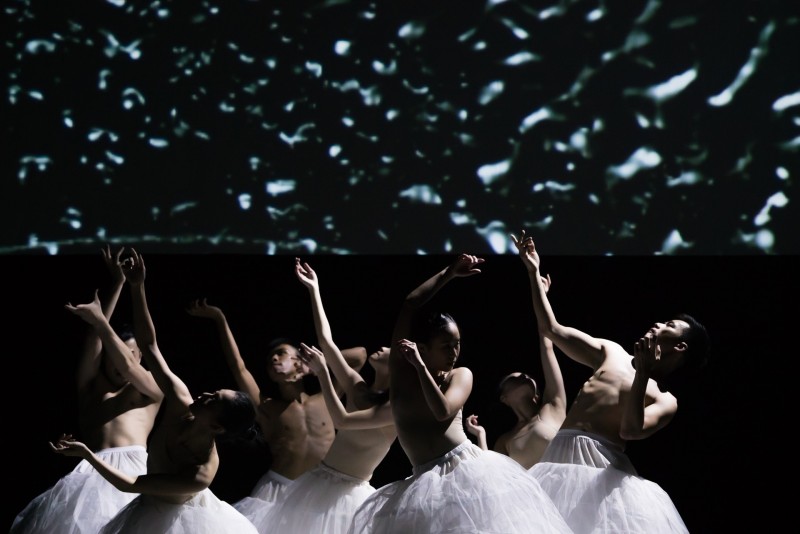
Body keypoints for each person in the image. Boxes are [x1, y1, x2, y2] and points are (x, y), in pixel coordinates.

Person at [347, 254, 572, 534]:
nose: (454, 352)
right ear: (423, 348)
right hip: (422, 480)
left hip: (464, 471)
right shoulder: (402, 375)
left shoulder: (460, 375)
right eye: (446, 346)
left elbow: (442, 411)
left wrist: (420, 367)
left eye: (457, 344)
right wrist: (449, 273)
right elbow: (410, 303)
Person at [512, 230, 710, 534]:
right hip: (558, 456)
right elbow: (551, 329)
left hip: (601, 467)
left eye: (669, 325)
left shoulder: (666, 399)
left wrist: (642, 374)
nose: (658, 323)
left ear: (680, 346)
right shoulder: (611, 351)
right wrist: (532, 271)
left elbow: (630, 431)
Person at [52, 249, 259, 534]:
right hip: (144, 508)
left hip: (181, 521)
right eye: (213, 391)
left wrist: (88, 455)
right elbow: (150, 346)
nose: (204, 395)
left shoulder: (202, 471)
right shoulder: (181, 400)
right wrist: (137, 286)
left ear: (216, 427)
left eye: (213, 400)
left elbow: (131, 484)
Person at [185, 269, 367, 530]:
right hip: (279, 491)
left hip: (323, 492)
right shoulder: (267, 407)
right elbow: (238, 367)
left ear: (299, 359)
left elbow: (359, 356)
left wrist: (313, 363)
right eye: (270, 358)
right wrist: (220, 318)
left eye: (281, 353)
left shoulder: (326, 397)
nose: (274, 358)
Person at [11, 246, 164, 534]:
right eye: (113, 354)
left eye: (129, 354)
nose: (120, 360)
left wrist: (104, 319)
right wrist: (117, 283)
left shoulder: (150, 390)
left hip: (134, 471)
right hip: (91, 470)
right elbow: (94, 337)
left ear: (139, 357)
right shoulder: (91, 388)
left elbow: (127, 365)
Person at [259, 258, 396, 534]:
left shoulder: (395, 407)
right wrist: (314, 289)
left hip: (350, 493)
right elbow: (326, 341)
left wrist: (323, 373)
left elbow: (342, 420)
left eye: (390, 349)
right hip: (319, 480)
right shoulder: (358, 386)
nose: (382, 347)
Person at [465, 271, 567, 469]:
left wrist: (542, 296)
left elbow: (547, 345)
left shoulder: (553, 406)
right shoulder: (506, 440)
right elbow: (492, 473)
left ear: (537, 394)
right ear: (504, 398)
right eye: (514, 377)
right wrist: (480, 435)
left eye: (526, 376)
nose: (523, 375)